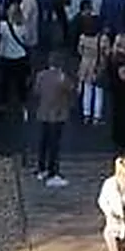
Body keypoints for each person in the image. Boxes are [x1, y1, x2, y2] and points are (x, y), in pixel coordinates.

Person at [31, 51, 76, 186]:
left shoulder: (41, 75)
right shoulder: (62, 77)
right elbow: (72, 88)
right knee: (54, 145)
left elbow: (36, 91)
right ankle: (53, 173)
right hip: (58, 115)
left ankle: (41, 169)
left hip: (43, 113)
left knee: (43, 143)